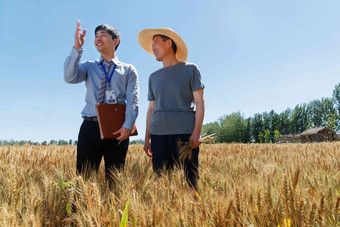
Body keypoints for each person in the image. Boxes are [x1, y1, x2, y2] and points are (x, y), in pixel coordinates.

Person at [64, 20, 139, 183]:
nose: (98, 38)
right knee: (83, 179)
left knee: (115, 180)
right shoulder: (89, 66)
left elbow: (133, 99)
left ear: (115, 41)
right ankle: (82, 209)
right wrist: (77, 49)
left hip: (118, 129)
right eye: (96, 36)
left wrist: (127, 125)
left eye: (103, 35)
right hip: (90, 126)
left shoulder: (128, 70)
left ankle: (114, 208)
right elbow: (69, 77)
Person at [137, 28, 205, 189]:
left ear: (169, 43)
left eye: (156, 43)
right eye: (151, 44)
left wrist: (196, 132)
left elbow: (200, 102)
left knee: (190, 183)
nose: (153, 47)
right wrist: (147, 138)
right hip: (158, 134)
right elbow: (151, 108)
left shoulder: (190, 69)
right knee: (161, 184)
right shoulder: (153, 77)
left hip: (184, 135)